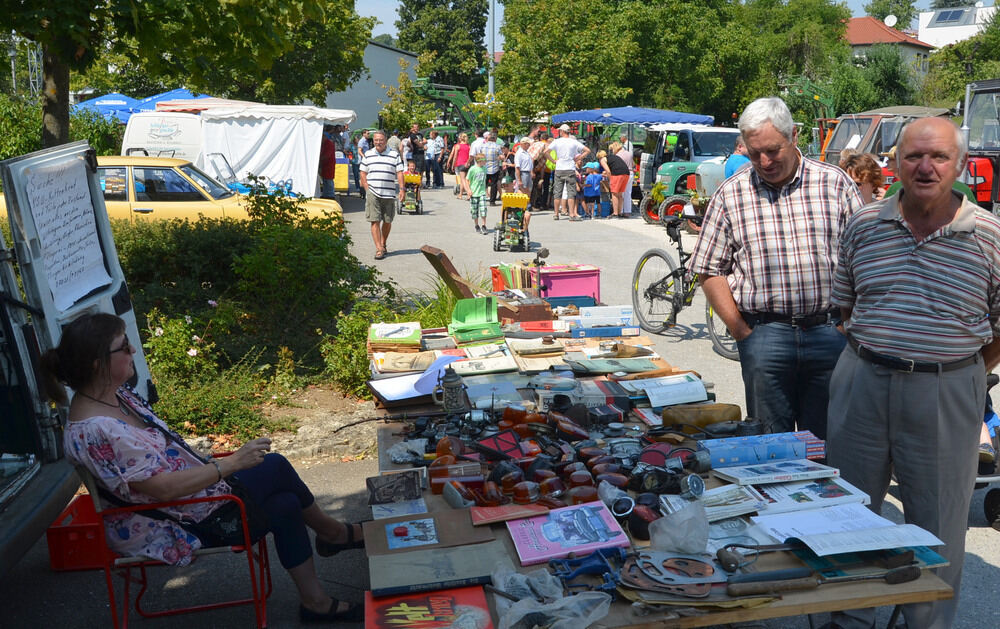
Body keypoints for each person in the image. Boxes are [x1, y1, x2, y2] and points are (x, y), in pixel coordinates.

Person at [42, 313, 365, 623]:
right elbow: (162, 489)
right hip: (171, 521)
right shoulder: (95, 429)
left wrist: (221, 466)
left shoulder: (117, 396)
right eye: (124, 346)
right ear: (98, 363)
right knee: (276, 466)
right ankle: (333, 534)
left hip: (191, 500)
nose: (133, 350)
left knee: (285, 503)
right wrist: (231, 464)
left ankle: (316, 602)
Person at [824, 117, 1000, 629]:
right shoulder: (862, 225)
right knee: (850, 511)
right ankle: (849, 618)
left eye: (939, 157)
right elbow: (845, 305)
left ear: (960, 165)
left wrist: (957, 368)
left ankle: (925, 623)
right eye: (913, 156)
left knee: (939, 520)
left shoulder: (989, 237)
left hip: (947, 388)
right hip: (862, 379)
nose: (925, 167)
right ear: (894, 163)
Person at [688, 97, 864, 439]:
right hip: (765, 337)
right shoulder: (732, 194)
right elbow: (709, 269)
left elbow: (866, 259)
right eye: (754, 154)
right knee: (771, 448)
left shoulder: (835, 184)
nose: (764, 161)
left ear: (793, 136)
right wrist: (741, 332)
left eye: (772, 150)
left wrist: (848, 325)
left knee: (831, 442)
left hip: (829, 333)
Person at [359, 130, 405, 260]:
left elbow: (400, 172)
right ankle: (379, 248)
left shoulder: (394, 154)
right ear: (373, 141)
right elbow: (363, 173)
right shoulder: (368, 154)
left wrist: (402, 189)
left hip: (389, 193)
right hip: (373, 192)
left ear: (386, 141)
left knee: (387, 221)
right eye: (376, 140)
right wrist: (367, 188)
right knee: (375, 220)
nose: (378, 142)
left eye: (381, 140)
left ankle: (384, 243)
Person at [549, 124, 590, 220]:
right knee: (571, 192)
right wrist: (578, 158)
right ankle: (571, 214)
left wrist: (553, 161)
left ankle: (556, 214)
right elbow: (587, 150)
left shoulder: (557, 141)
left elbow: (546, 151)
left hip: (559, 168)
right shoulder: (573, 142)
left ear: (562, 131)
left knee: (557, 192)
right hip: (570, 168)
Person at [600, 142, 631, 218]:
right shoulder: (614, 157)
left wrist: (610, 179)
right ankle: (619, 212)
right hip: (626, 173)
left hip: (617, 174)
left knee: (614, 194)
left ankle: (615, 213)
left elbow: (608, 171)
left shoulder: (602, 159)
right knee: (620, 194)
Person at [467, 153, 489, 234]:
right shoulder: (472, 169)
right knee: (474, 211)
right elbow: (467, 180)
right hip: (474, 193)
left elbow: (484, 181)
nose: (485, 161)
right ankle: (476, 225)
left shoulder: (484, 169)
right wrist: (468, 190)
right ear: (479, 161)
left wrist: (487, 192)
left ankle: (484, 225)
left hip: (482, 193)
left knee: (483, 210)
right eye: (484, 160)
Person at [448, 132, 472, 200]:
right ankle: (460, 194)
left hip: (460, 164)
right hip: (467, 164)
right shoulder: (468, 146)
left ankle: (468, 193)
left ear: (460, 138)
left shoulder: (458, 146)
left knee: (463, 180)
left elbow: (455, 156)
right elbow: (470, 156)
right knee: (463, 180)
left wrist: (453, 165)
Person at [481, 131, 502, 205]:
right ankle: (492, 201)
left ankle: (481, 199)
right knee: (494, 185)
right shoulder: (497, 146)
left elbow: (480, 156)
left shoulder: (483, 146)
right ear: (495, 139)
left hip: (484, 168)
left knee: (483, 184)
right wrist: (499, 158)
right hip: (494, 168)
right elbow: (501, 156)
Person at [318, 125, 337, 199]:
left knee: (328, 180)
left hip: (329, 164)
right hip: (325, 165)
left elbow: (327, 155)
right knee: (325, 180)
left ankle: (330, 195)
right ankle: (326, 194)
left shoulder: (329, 144)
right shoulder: (325, 144)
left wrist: (320, 159)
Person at [515, 136, 534, 201]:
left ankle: (526, 206)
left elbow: (529, 164)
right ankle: (522, 206)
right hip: (523, 173)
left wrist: (531, 172)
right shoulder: (519, 153)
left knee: (528, 190)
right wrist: (519, 180)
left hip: (527, 173)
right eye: (527, 144)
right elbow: (517, 167)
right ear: (523, 144)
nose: (529, 145)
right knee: (523, 190)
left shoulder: (526, 152)